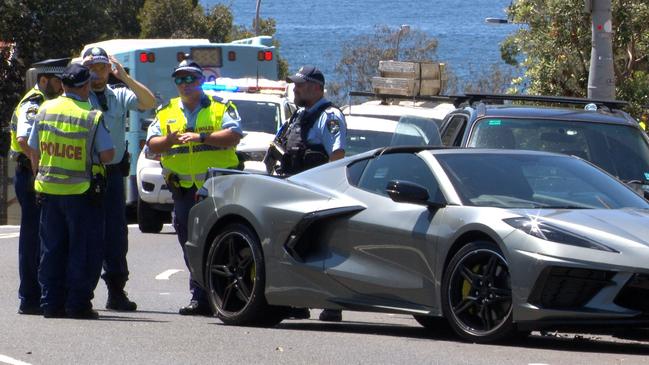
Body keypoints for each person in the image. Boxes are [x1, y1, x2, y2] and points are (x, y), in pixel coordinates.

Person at [146, 58, 242, 315]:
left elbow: (234, 135)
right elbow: (152, 145)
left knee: (220, 241)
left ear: (201, 81)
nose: (185, 84)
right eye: (180, 79)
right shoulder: (166, 111)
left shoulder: (220, 107)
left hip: (216, 187)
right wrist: (169, 140)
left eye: (191, 78)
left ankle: (221, 294)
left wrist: (201, 136)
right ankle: (200, 296)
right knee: (189, 242)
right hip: (183, 189)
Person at [28, 63, 115, 319]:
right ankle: (77, 304)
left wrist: (38, 177)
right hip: (80, 192)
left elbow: (33, 149)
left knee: (52, 248)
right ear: (85, 86)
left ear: (63, 86)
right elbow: (108, 155)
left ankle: (51, 303)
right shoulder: (91, 114)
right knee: (82, 249)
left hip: (49, 190)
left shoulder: (45, 109)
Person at [267, 65, 347, 322]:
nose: (295, 88)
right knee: (293, 248)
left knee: (322, 249)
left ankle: (331, 304)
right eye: (295, 84)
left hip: (318, 194)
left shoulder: (329, 116)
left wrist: (329, 193)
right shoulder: (297, 116)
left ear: (316, 88)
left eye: (300, 85)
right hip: (293, 192)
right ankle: (297, 302)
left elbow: (336, 156)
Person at [81, 46, 156, 311]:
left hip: (112, 175)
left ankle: (116, 291)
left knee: (115, 234)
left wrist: (124, 76)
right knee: (86, 233)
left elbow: (149, 102)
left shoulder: (118, 95)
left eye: (101, 67)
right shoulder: (77, 96)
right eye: (90, 67)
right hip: (84, 174)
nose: (96, 73)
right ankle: (81, 293)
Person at [9, 57, 68, 315]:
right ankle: (30, 296)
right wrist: (39, 167)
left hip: (35, 174)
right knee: (33, 238)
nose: (61, 86)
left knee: (42, 236)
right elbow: (24, 139)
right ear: (44, 80)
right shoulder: (33, 103)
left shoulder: (47, 101)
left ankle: (40, 293)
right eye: (58, 81)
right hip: (31, 175)